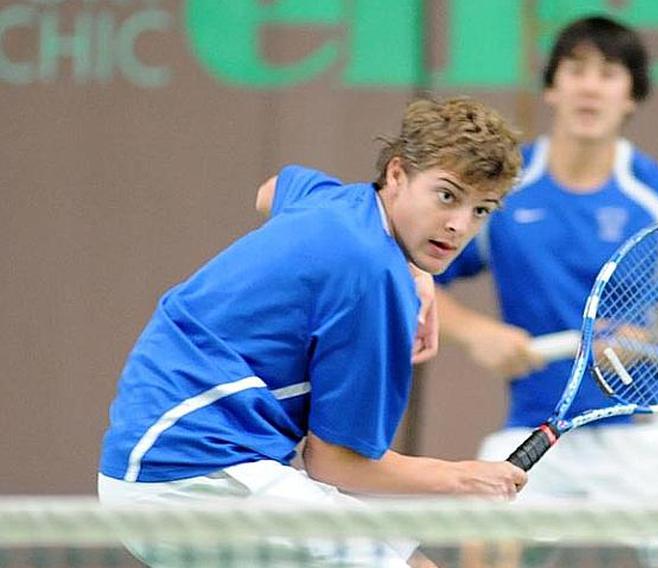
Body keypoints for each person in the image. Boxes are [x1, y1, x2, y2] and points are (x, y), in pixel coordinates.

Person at [98, 96, 527, 568]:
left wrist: (417, 273)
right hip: (189, 476)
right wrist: (465, 479)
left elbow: (273, 188)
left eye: (481, 210)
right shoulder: (370, 274)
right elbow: (334, 463)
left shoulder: (344, 203)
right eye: (446, 195)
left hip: (180, 456)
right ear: (399, 175)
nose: (459, 225)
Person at [436, 16, 658, 568]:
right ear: (552, 88)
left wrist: (644, 338)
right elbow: (420, 280)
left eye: (608, 73)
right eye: (576, 70)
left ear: (631, 96)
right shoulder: (504, 191)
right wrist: (476, 332)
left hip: (648, 431)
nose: (589, 86)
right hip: (541, 426)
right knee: (484, 544)